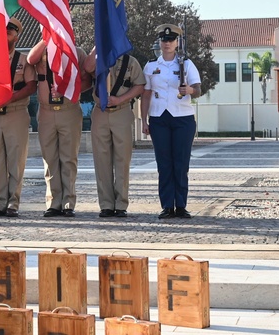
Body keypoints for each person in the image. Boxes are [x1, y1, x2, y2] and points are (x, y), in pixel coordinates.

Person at [141, 23, 202, 219]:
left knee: (181, 163)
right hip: (159, 118)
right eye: (164, 40)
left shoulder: (187, 64)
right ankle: (167, 205)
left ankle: (181, 205)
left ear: (177, 43)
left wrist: (189, 90)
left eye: (170, 40)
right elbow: (146, 94)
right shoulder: (151, 66)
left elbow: (198, 88)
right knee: (164, 163)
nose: (167, 43)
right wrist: (144, 121)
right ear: (159, 42)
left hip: (182, 117)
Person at [27, 39, 90, 217]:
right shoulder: (42, 51)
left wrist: (69, 89)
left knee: (68, 158)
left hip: (68, 110)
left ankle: (68, 202)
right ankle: (53, 202)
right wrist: (46, 38)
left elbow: (87, 81)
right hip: (46, 112)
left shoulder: (76, 52)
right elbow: (31, 59)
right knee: (50, 158)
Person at [0, 17, 36, 217]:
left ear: (16, 36)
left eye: (9, 33)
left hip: (16, 114)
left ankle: (13, 202)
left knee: (15, 161)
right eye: (2, 32)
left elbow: (31, 85)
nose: (5, 36)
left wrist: (10, 98)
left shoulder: (23, 60)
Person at [84, 48, 146, 218]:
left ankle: (121, 204)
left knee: (122, 159)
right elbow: (87, 66)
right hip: (100, 112)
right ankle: (106, 204)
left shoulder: (130, 62)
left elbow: (140, 85)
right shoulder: (98, 58)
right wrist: (99, 46)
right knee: (101, 160)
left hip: (122, 111)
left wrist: (120, 99)